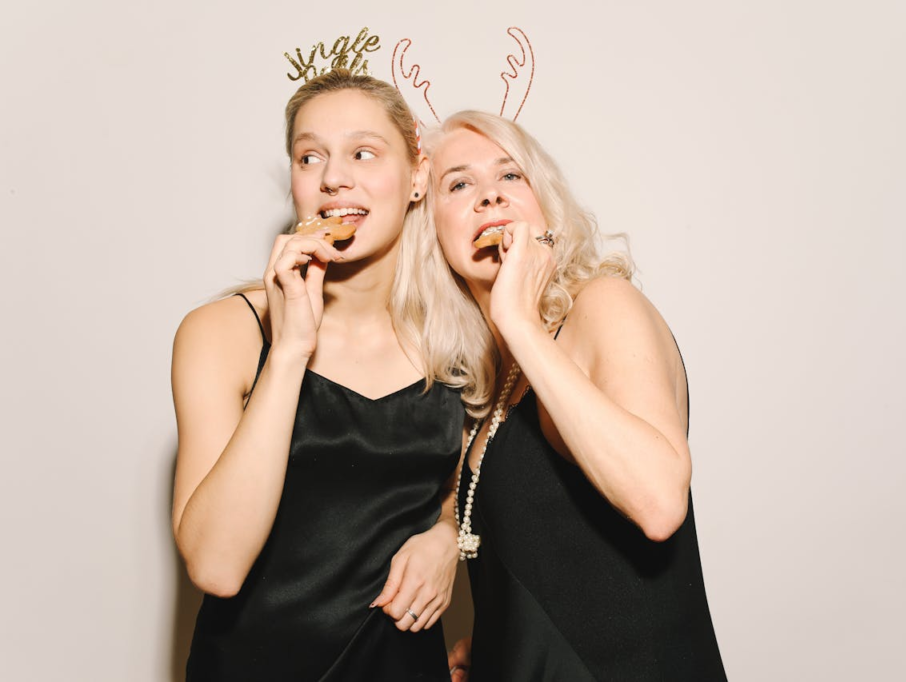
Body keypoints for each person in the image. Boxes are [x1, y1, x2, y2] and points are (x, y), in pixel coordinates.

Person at [170, 69, 465, 681]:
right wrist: (289, 353)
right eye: (310, 156)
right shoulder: (223, 333)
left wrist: (447, 540)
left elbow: (463, 494)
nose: (334, 177)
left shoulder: (457, 341)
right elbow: (216, 566)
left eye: (363, 152)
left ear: (416, 176)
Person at [420, 111, 728, 681]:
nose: (490, 197)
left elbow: (659, 502)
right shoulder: (489, 389)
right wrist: (495, 648)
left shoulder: (601, 305)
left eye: (511, 176)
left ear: (546, 207)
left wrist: (520, 322)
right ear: (432, 229)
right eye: (459, 184)